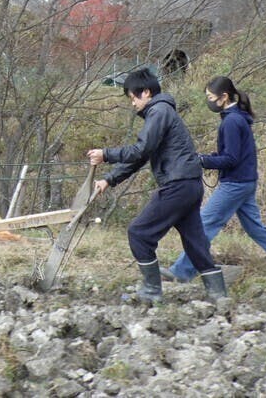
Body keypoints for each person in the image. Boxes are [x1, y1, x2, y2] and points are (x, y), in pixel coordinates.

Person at [87, 68, 227, 302]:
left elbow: (140, 149)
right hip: (189, 184)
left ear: (147, 92)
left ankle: (152, 291)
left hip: (178, 184)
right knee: (194, 242)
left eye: (133, 98)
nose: (132, 104)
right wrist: (108, 180)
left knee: (139, 233)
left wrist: (106, 154)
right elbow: (142, 155)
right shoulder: (162, 112)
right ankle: (218, 294)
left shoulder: (159, 111)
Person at [161, 76, 266, 282]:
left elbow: (231, 159)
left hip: (235, 184)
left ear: (223, 97)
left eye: (210, 97)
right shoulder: (237, 118)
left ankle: (181, 272)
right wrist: (207, 158)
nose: (209, 101)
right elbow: (233, 155)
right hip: (246, 181)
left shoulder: (231, 122)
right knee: (256, 229)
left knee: (204, 224)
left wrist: (203, 161)